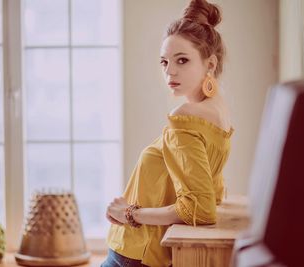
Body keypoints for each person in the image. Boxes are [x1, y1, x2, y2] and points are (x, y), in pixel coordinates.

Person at [101, 0, 233, 266]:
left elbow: (199, 208)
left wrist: (129, 213)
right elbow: (212, 189)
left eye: (182, 60)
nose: (169, 71)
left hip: (135, 252)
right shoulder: (219, 111)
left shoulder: (185, 117)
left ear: (210, 64)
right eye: (164, 62)